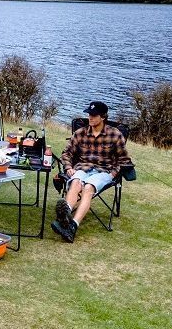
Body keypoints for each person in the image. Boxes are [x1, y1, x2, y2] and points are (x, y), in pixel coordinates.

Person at [51, 101, 131, 243]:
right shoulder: (80, 133)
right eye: (89, 114)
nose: (90, 117)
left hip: (104, 171)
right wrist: (69, 167)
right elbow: (66, 153)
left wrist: (114, 173)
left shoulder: (115, 135)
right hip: (83, 167)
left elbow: (124, 160)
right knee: (75, 182)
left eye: (94, 115)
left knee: (88, 188)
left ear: (103, 117)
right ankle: (65, 214)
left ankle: (72, 227)